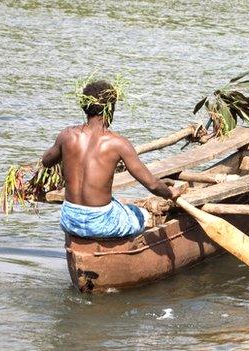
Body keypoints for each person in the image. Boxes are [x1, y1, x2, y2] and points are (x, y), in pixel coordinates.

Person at [41, 80, 181, 238]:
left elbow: (46, 161)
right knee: (141, 214)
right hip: (100, 223)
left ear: (85, 107)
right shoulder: (118, 143)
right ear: (110, 109)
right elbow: (153, 185)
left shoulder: (67, 135)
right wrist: (170, 193)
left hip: (69, 219)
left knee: (117, 205)